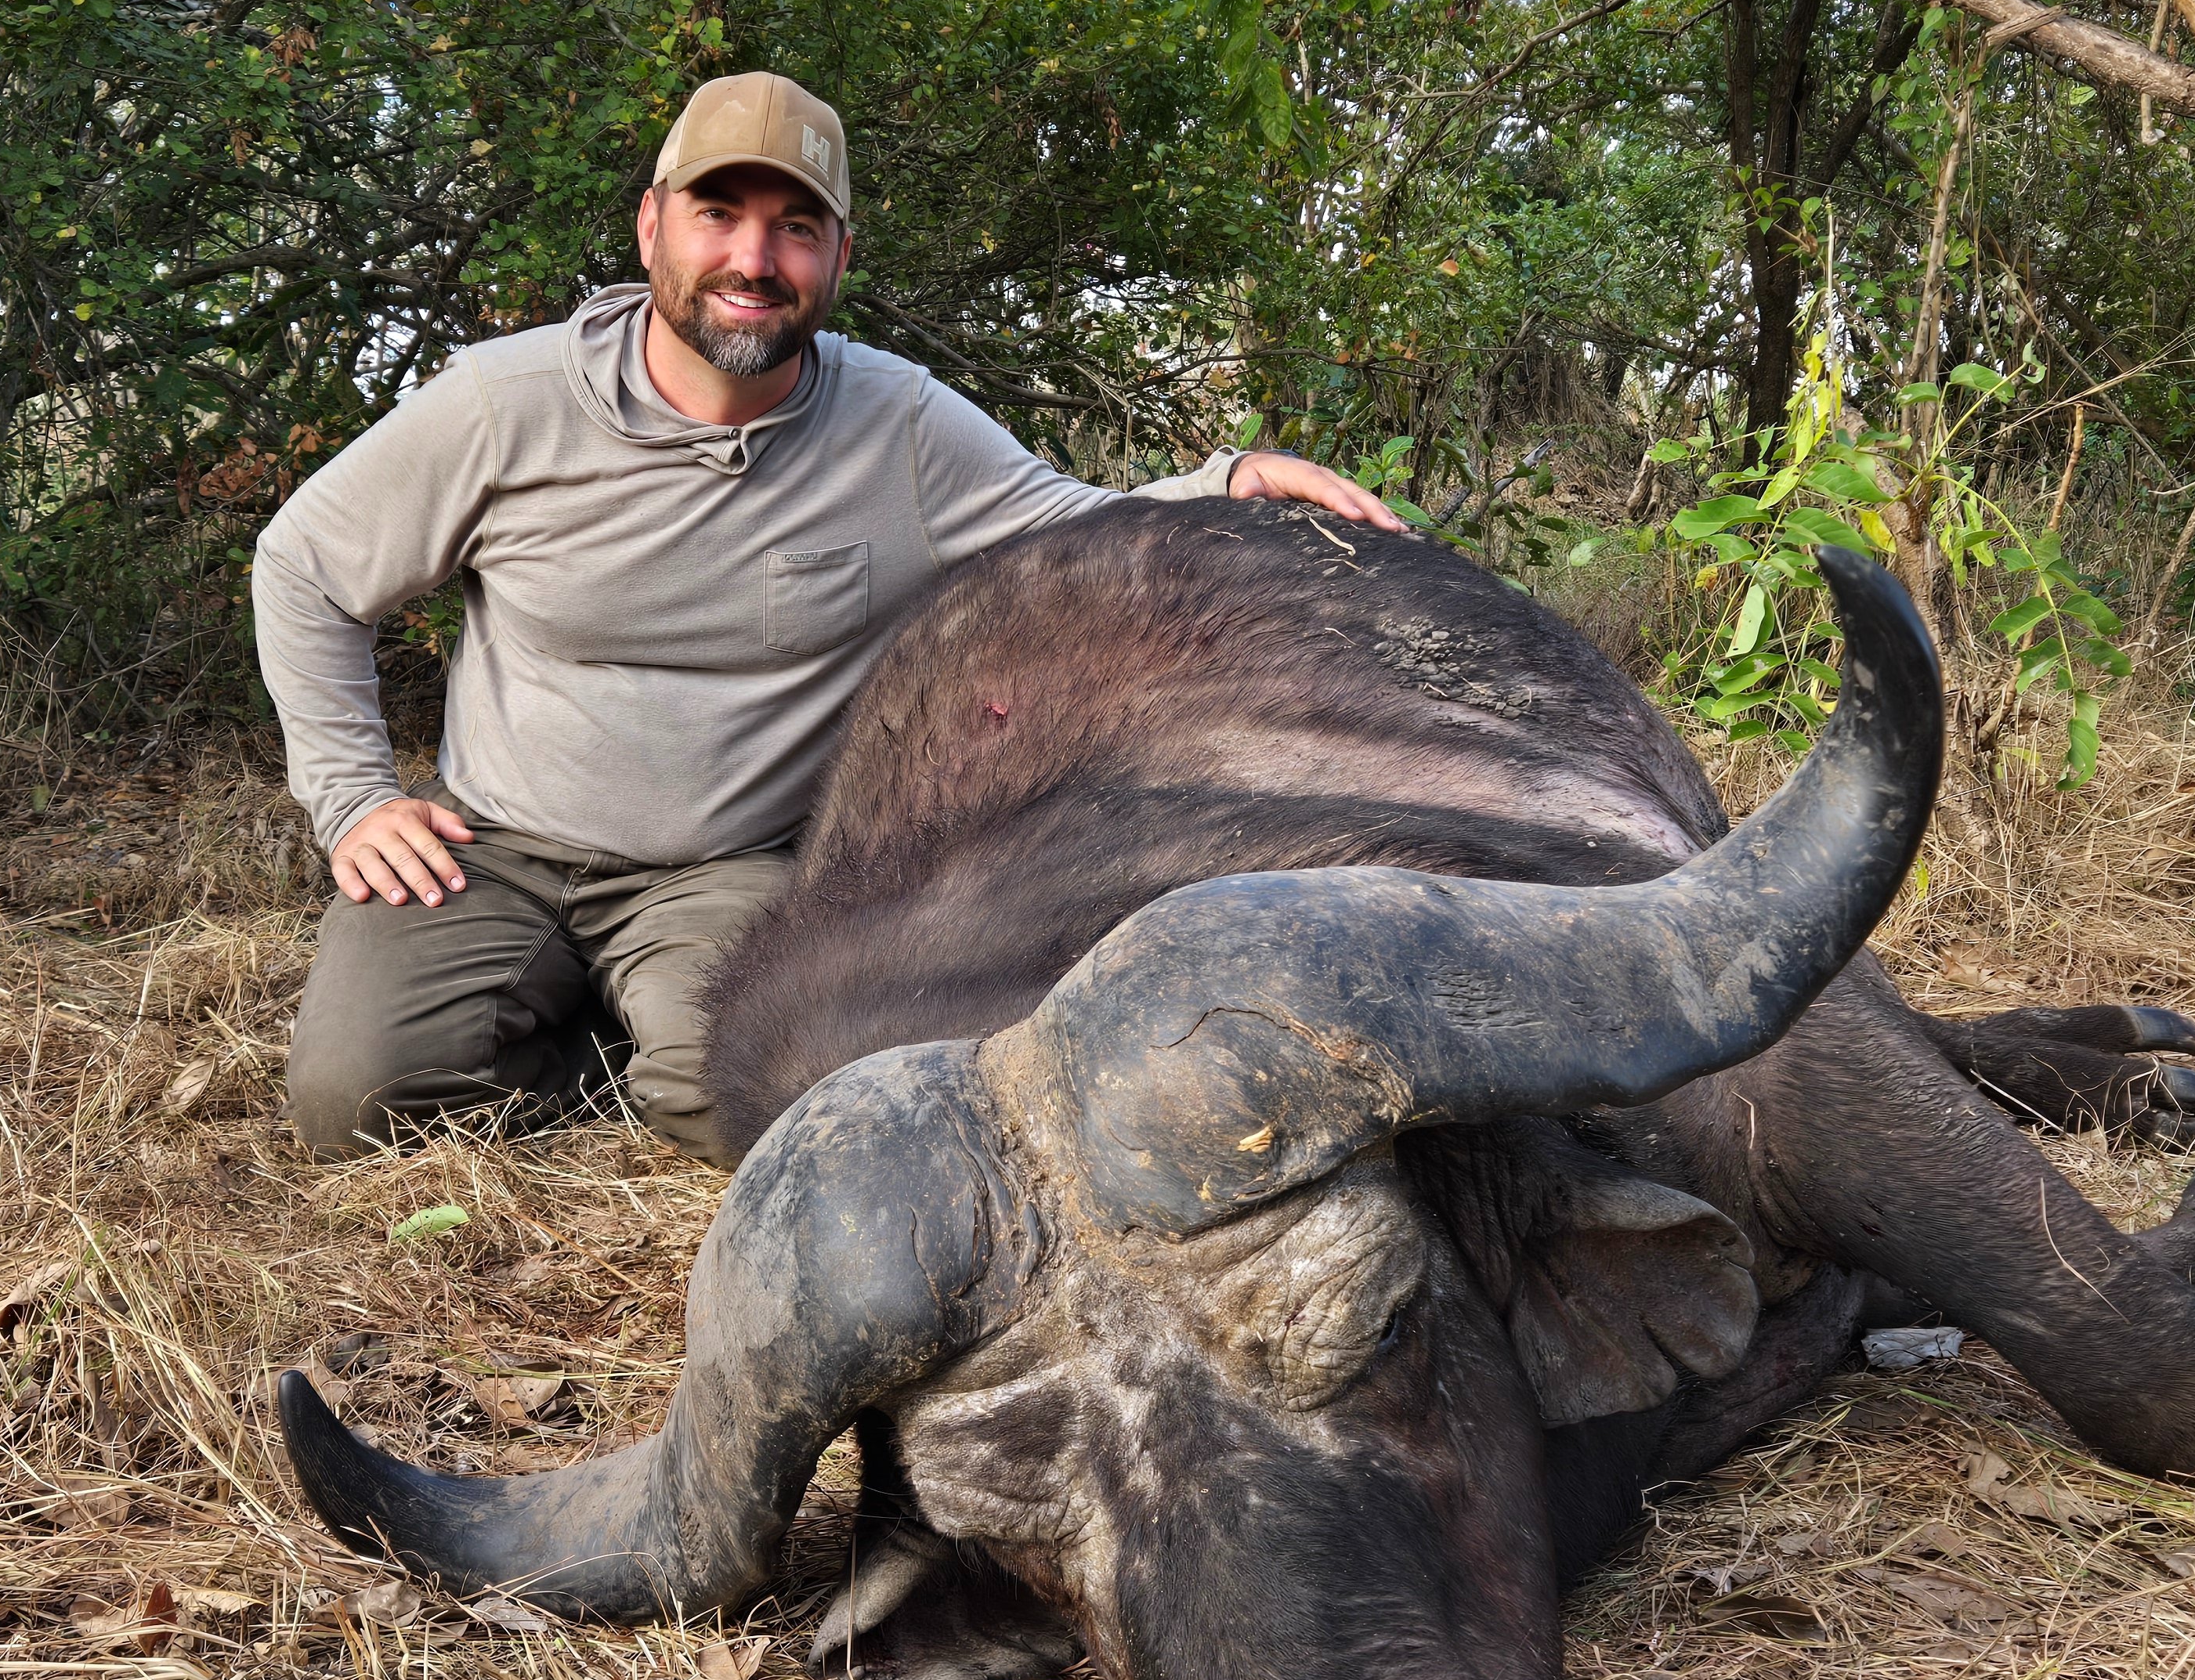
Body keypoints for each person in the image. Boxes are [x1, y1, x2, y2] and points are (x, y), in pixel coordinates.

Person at [254, 73, 1399, 1165]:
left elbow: (1077, 535)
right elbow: (302, 566)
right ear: (652, 228)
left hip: (725, 870)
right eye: (718, 214)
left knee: (761, 1102)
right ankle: (605, 1040)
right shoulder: (504, 405)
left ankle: (652, 1050)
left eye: (796, 227)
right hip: (495, 845)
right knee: (355, 1099)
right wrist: (354, 798)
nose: (753, 259)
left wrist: (1226, 482)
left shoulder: (897, 424)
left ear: (839, 256)